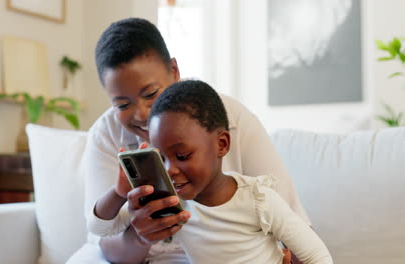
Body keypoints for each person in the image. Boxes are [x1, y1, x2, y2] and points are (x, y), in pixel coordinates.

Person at [68, 18, 310, 263]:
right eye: (122, 104)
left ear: (174, 71)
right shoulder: (106, 134)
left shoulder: (228, 117)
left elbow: (293, 226)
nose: (142, 114)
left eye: (151, 94)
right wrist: (141, 237)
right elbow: (102, 238)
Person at [91, 80, 333, 264]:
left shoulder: (259, 200)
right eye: (161, 158)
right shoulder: (172, 207)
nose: (170, 170)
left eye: (182, 156)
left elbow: (317, 256)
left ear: (222, 144)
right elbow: (101, 229)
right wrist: (118, 192)